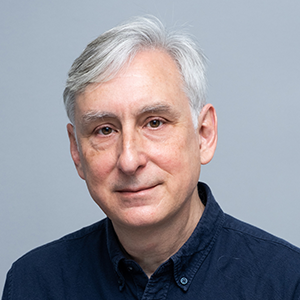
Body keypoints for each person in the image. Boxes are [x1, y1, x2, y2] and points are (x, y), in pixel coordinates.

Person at [2, 16, 300, 300]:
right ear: (77, 151)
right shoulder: (34, 283)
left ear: (204, 134)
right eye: (104, 130)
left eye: (154, 122)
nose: (129, 160)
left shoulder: (286, 282)